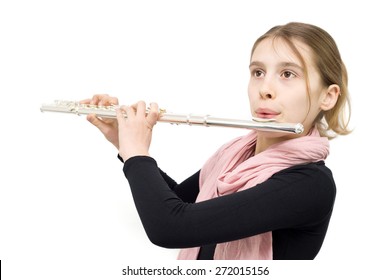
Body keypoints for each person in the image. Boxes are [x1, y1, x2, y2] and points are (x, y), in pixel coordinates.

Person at [81, 22, 351, 260]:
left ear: (328, 96)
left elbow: (170, 226)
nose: (265, 89)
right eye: (258, 72)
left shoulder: (310, 184)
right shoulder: (234, 155)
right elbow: (174, 203)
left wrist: (137, 153)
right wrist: (123, 142)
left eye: (288, 74)